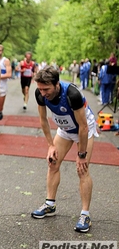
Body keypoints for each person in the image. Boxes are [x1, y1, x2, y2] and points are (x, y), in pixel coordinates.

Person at [31, 66, 98, 233]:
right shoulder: (40, 93)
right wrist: (51, 145)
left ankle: (85, 215)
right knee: (52, 163)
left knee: (82, 170)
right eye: (40, 89)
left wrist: (81, 154)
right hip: (65, 129)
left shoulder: (72, 94)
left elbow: (83, 127)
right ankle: (50, 204)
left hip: (84, 129)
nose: (43, 93)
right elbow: (43, 120)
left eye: (46, 89)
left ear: (57, 84)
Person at [0, 44, 12, 120]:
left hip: (2, 87)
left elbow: (9, 74)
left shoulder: (5, 61)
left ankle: (0, 111)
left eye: (0, 51)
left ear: (2, 51)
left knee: (0, 106)